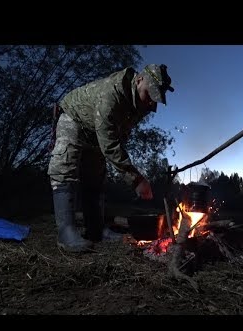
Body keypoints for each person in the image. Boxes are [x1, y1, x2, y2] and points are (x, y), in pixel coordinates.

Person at [47, 64, 174, 252]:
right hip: (74, 119)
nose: (151, 104)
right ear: (139, 80)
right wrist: (136, 179)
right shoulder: (111, 94)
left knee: (95, 177)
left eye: (155, 98)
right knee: (64, 167)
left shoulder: (139, 104)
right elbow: (109, 142)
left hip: (96, 132)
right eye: (150, 94)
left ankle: (96, 231)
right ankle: (66, 233)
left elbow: (118, 136)